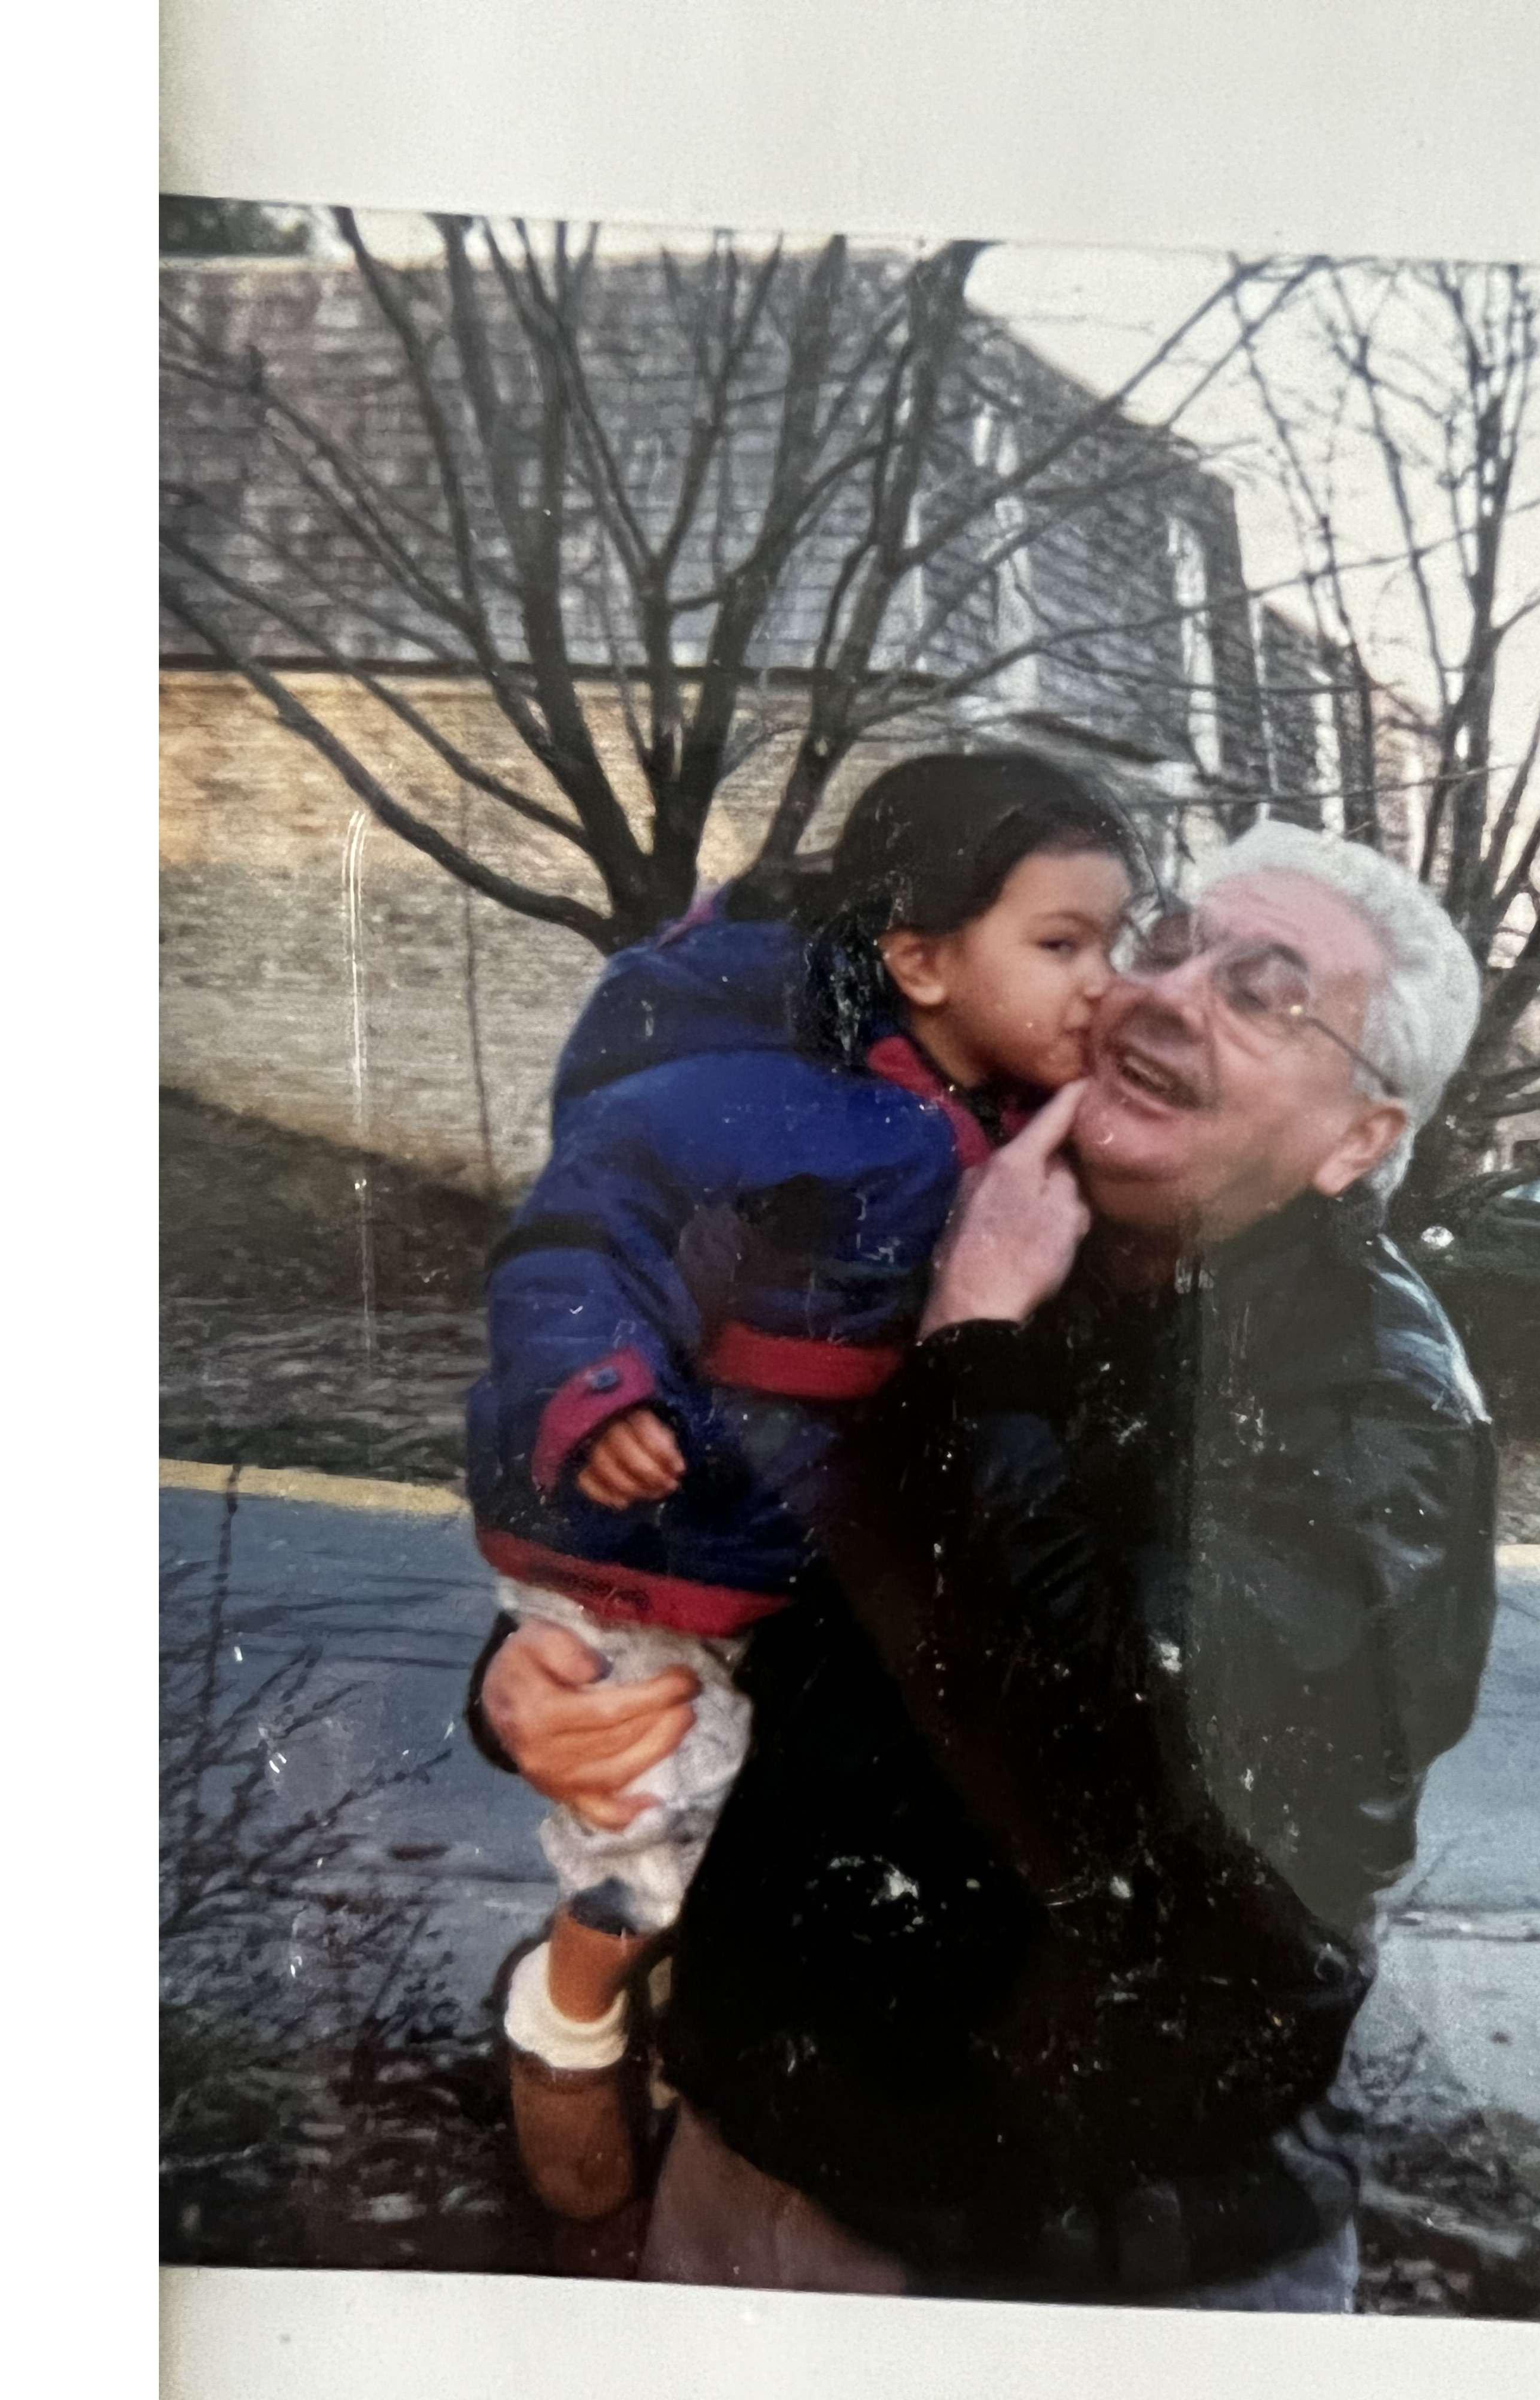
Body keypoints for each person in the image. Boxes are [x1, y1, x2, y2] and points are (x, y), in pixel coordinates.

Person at [473, 815, 1501, 2308]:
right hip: (757, 2164)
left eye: (1266, 991)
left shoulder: (1374, 1404)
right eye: (1166, 940)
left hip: (1089, 2264)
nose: (1164, 993)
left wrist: (971, 1356)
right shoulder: (970, 1219)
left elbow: (1120, 1768)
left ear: (1360, 1137)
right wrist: (539, 1677)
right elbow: (729, 1520)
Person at [467, 750, 1140, 2219]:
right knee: (667, 1823)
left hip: (775, 1575)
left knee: (728, 1829)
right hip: (675, 1541)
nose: (1108, 987)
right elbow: (582, 1234)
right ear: (920, 958)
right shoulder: (769, 1100)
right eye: (1062, 944)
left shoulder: (1024, 1136)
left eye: (1119, 944)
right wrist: (600, 1394)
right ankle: (572, 2013)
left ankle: (629, 2019)